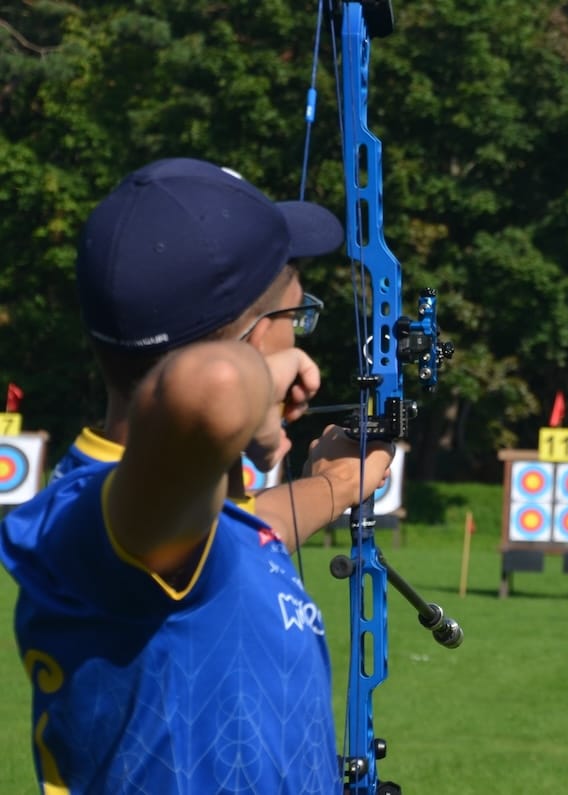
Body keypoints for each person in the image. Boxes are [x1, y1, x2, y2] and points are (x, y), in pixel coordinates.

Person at [0, 157, 393, 792]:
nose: (302, 345)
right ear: (245, 342)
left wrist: (338, 486)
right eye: (295, 321)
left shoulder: (168, 524)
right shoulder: (106, 524)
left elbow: (240, 541)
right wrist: (255, 395)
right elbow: (210, 388)